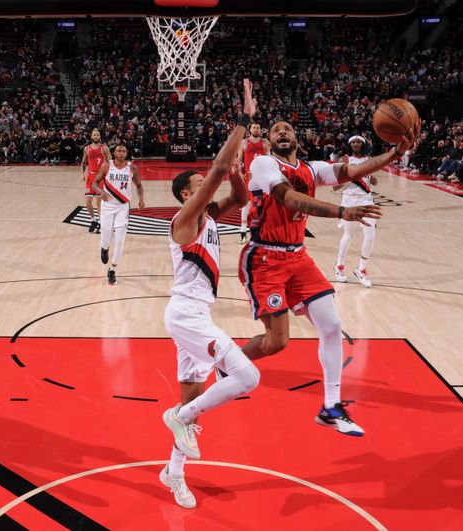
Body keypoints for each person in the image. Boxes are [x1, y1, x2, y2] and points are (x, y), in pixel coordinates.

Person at [238, 120, 417, 437]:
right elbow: (289, 198)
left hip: (297, 256)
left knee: (332, 326)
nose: (282, 132)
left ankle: (330, 407)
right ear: (268, 139)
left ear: (296, 138)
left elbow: (348, 172)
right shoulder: (263, 163)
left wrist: (393, 154)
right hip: (265, 258)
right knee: (277, 341)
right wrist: (341, 212)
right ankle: (229, 362)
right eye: (276, 129)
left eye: (287, 129)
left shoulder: (311, 168)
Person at [161, 80, 260, 509]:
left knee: (195, 408)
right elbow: (218, 171)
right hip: (187, 316)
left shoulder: (211, 218)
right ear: (188, 194)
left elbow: (238, 193)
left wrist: (236, 169)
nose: (208, 188)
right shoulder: (184, 221)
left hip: (196, 313)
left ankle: (173, 473)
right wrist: (243, 122)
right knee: (246, 377)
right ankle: (177, 418)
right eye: (201, 185)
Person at [91, 144, 145, 285]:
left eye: (124, 151)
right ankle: (104, 248)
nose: (121, 153)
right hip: (108, 205)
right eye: (119, 151)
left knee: (120, 240)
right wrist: (101, 192)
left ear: (126, 153)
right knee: (106, 236)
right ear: (114, 153)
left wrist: (141, 199)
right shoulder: (106, 166)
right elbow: (95, 184)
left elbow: (139, 185)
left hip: (123, 206)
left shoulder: (132, 168)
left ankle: (113, 270)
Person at [333, 135, 378, 288]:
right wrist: (346, 180)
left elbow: (374, 181)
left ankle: (361, 268)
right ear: (349, 144)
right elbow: (335, 186)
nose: (356, 144)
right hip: (349, 201)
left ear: (364, 144)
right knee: (348, 235)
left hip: (366, 200)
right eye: (353, 142)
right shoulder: (344, 160)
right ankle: (339, 266)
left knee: (370, 236)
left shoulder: (369, 160)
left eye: (358, 142)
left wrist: (371, 178)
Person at [237, 122, 270, 244]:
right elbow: (239, 160)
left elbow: (269, 159)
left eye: (258, 127)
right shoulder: (244, 143)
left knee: (262, 204)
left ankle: (261, 231)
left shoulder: (265, 143)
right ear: (250, 129)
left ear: (260, 130)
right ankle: (243, 232)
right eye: (254, 127)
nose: (256, 129)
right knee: (246, 204)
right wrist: (239, 174)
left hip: (262, 177)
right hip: (249, 176)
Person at [81, 129, 111, 233]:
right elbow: (83, 163)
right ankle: (93, 221)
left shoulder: (104, 148)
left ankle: (102, 224)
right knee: (88, 202)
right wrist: (82, 173)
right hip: (90, 176)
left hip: (100, 177)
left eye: (98, 134)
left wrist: (108, 174)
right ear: (92, 136)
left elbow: (110, 162)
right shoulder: (86, 149)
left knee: (99, 202)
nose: (96, 136)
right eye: (94, 134)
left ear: (100, 136)